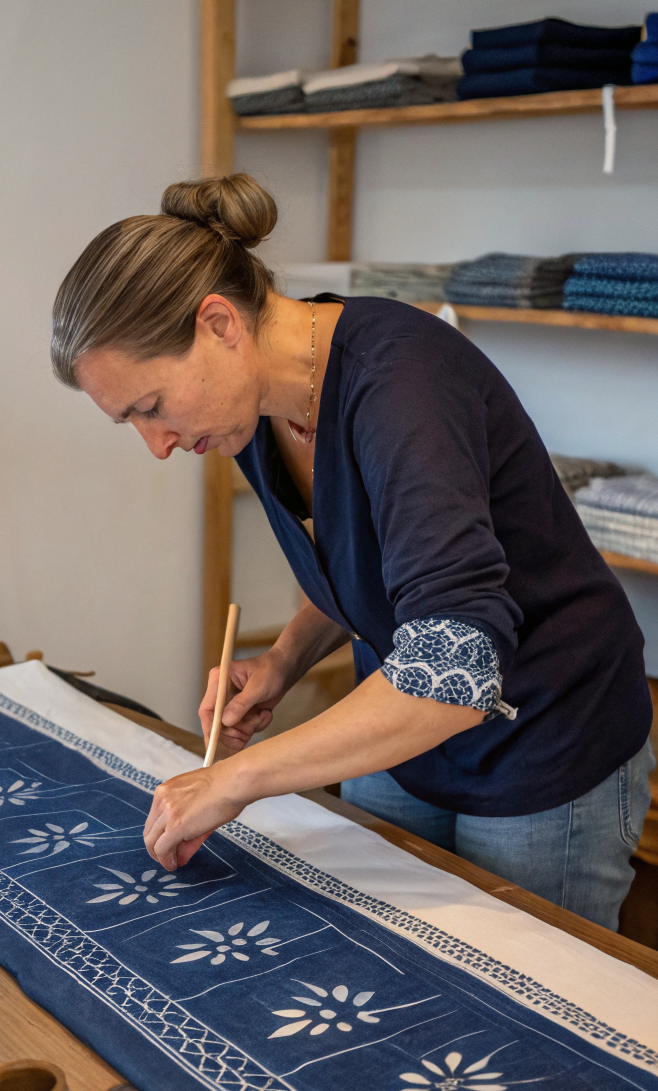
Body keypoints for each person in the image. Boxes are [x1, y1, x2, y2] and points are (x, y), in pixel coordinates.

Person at [50, 173, 653, 931]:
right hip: (406, 721)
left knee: (517, 1015)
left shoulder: (404, 386)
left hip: (544, 731)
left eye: (152, 406)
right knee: (372, 957)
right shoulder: (253, 406)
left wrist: (237, 779)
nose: (159, 445)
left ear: (219, 323)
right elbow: (376, 554)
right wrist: (285, 660)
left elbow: (456, 667)